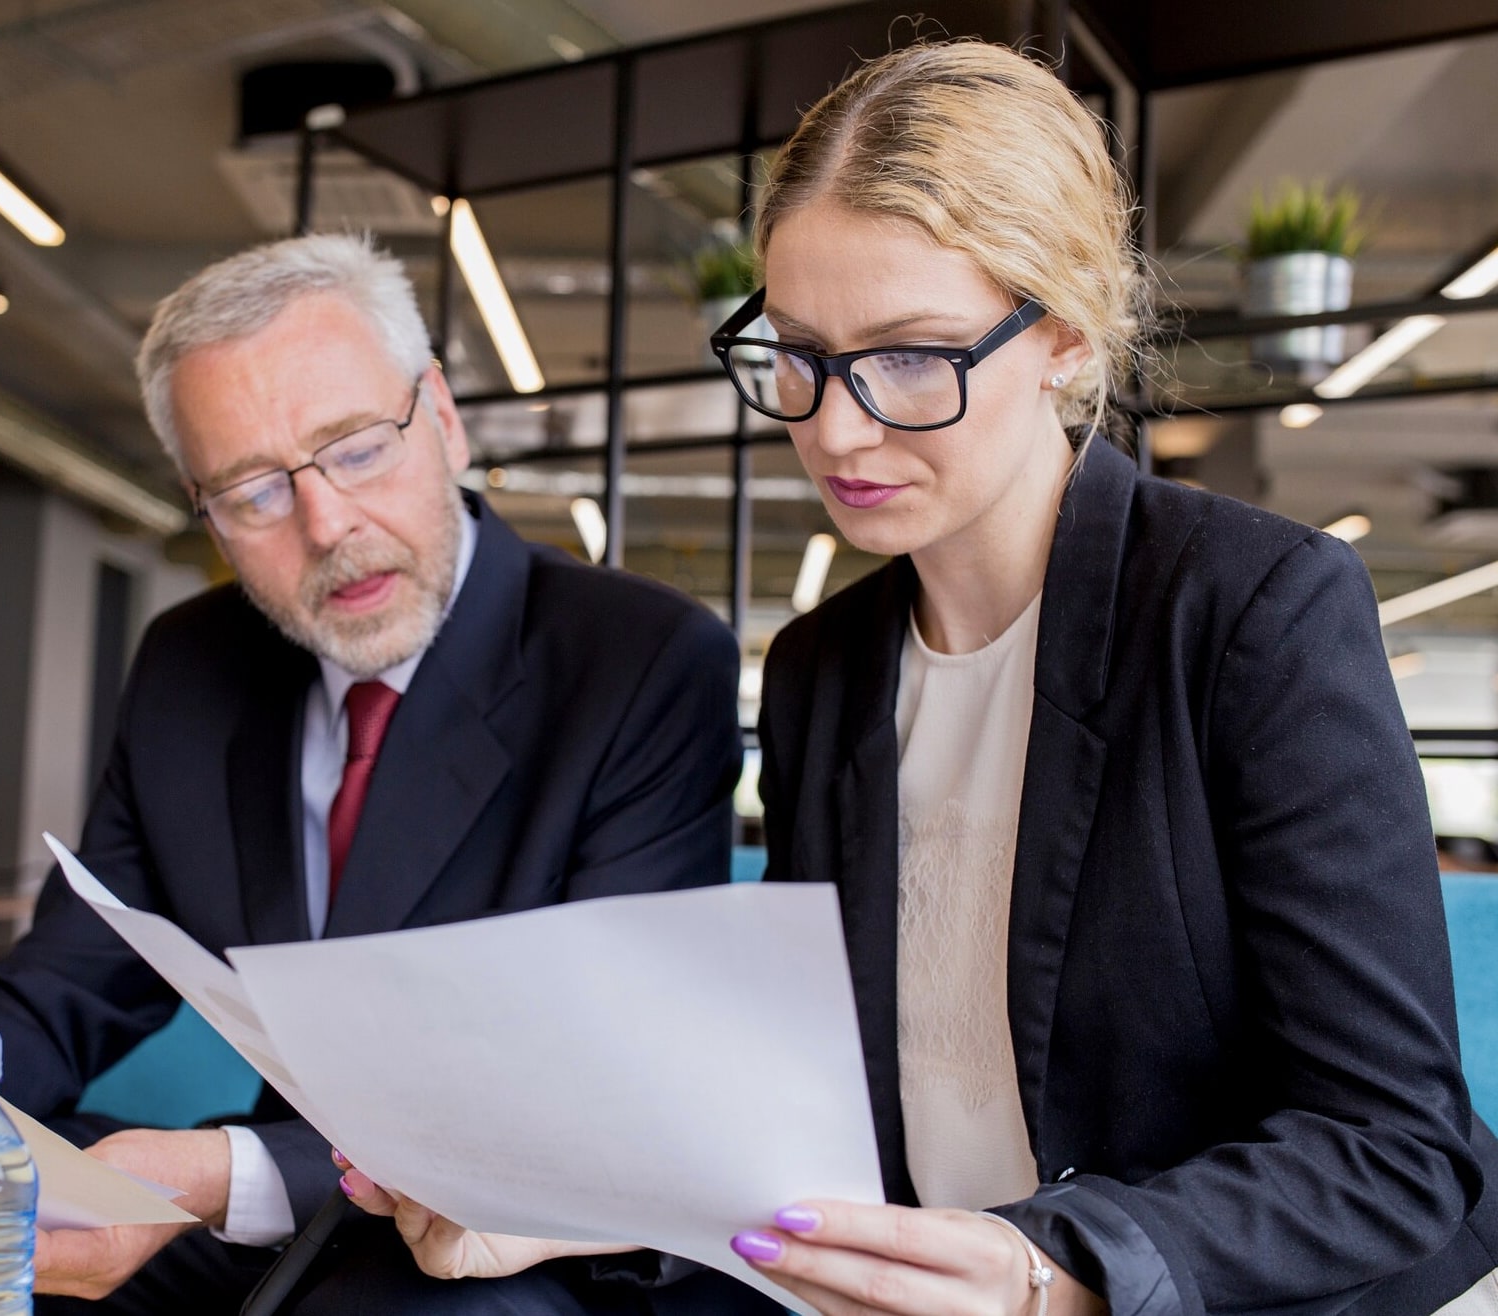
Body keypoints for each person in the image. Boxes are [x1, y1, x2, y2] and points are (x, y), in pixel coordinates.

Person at [335, 39, 1498, 1315]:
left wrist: (1049, 1266)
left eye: (907, 358)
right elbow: (806, 1113)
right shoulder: (824, 670)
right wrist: (556, 1206)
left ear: (1058, 330)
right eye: (795, 350)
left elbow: (1392, 1147)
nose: (832, 427)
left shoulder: (1247, 611)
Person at [0, 232, 767, 1315]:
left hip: (494, 1228)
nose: (327, 525)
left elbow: (593, 1088)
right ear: (202, 510)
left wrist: (219, 1177)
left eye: (354, 448)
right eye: (252, 491)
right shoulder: (189, 666)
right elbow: (64, 988)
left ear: (439, 413)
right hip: (270, 1214)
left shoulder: (637, 660)